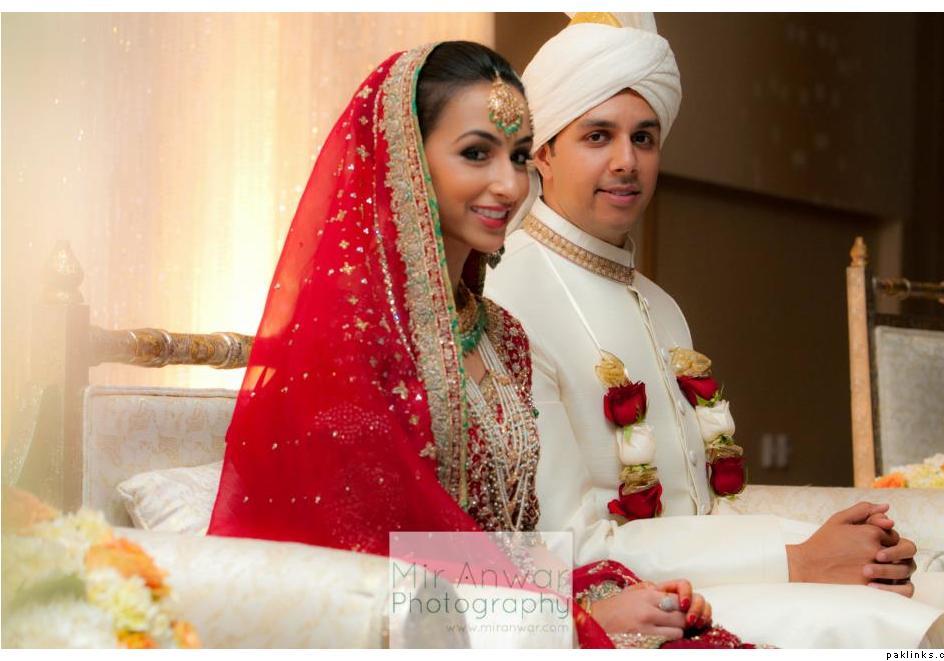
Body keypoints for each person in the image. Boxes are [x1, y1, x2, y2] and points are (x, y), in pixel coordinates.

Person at [206, 40, 745, 649]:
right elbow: (360, 564)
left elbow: (516, 542)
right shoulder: (356, 338)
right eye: (475, 154)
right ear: (408, 160)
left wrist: (602, 599)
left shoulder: (500, 336)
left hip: (513, 619)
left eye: (517, 156)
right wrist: (573, 623)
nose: (508, 184)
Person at [484, 13, 944, 648]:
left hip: (714, 579)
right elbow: (569, 545)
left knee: (939, 590)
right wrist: (798, 560)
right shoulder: (508, 296)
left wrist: (842, 548)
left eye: (644, 138)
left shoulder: (660, 305)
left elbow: (702, 510)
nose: (626, 161)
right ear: (542, 152)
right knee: (893, 624)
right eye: (598, 136)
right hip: (628, 599)